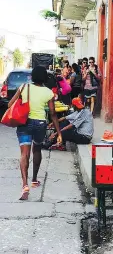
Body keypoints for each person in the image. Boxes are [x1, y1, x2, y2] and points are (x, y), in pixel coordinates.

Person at [8, 66, 62, 200]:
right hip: (40, 125)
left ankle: (25, 185)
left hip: (25, 123)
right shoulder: (48, 92)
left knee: (24, 154)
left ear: (32, 76)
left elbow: (10, 104)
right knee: (36, 150)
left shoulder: (24, 87)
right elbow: (53, 113)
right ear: (45, 78)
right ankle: (34, 179)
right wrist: (59, 132)